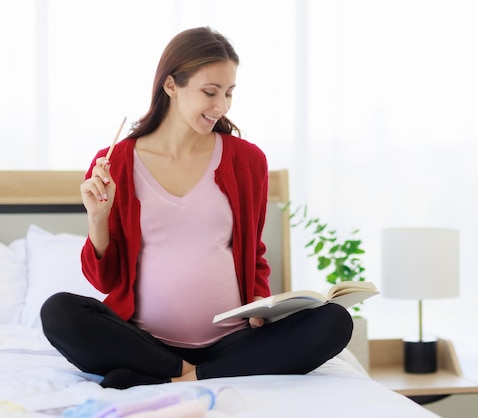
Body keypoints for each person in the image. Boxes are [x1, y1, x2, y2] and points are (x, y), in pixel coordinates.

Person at [40, 26, 353, 390]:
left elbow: (255, 256)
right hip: (145, 341)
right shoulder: (116, 163)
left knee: (334, 321)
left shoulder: (247, 161)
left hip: (233, 340)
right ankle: (191, 370)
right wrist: (98, 218)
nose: (221, 106)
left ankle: (173, 375)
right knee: (58, 312)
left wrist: (259, 302)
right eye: (209, 92)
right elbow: (104, 281)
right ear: (171, 85)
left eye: (229, 93)